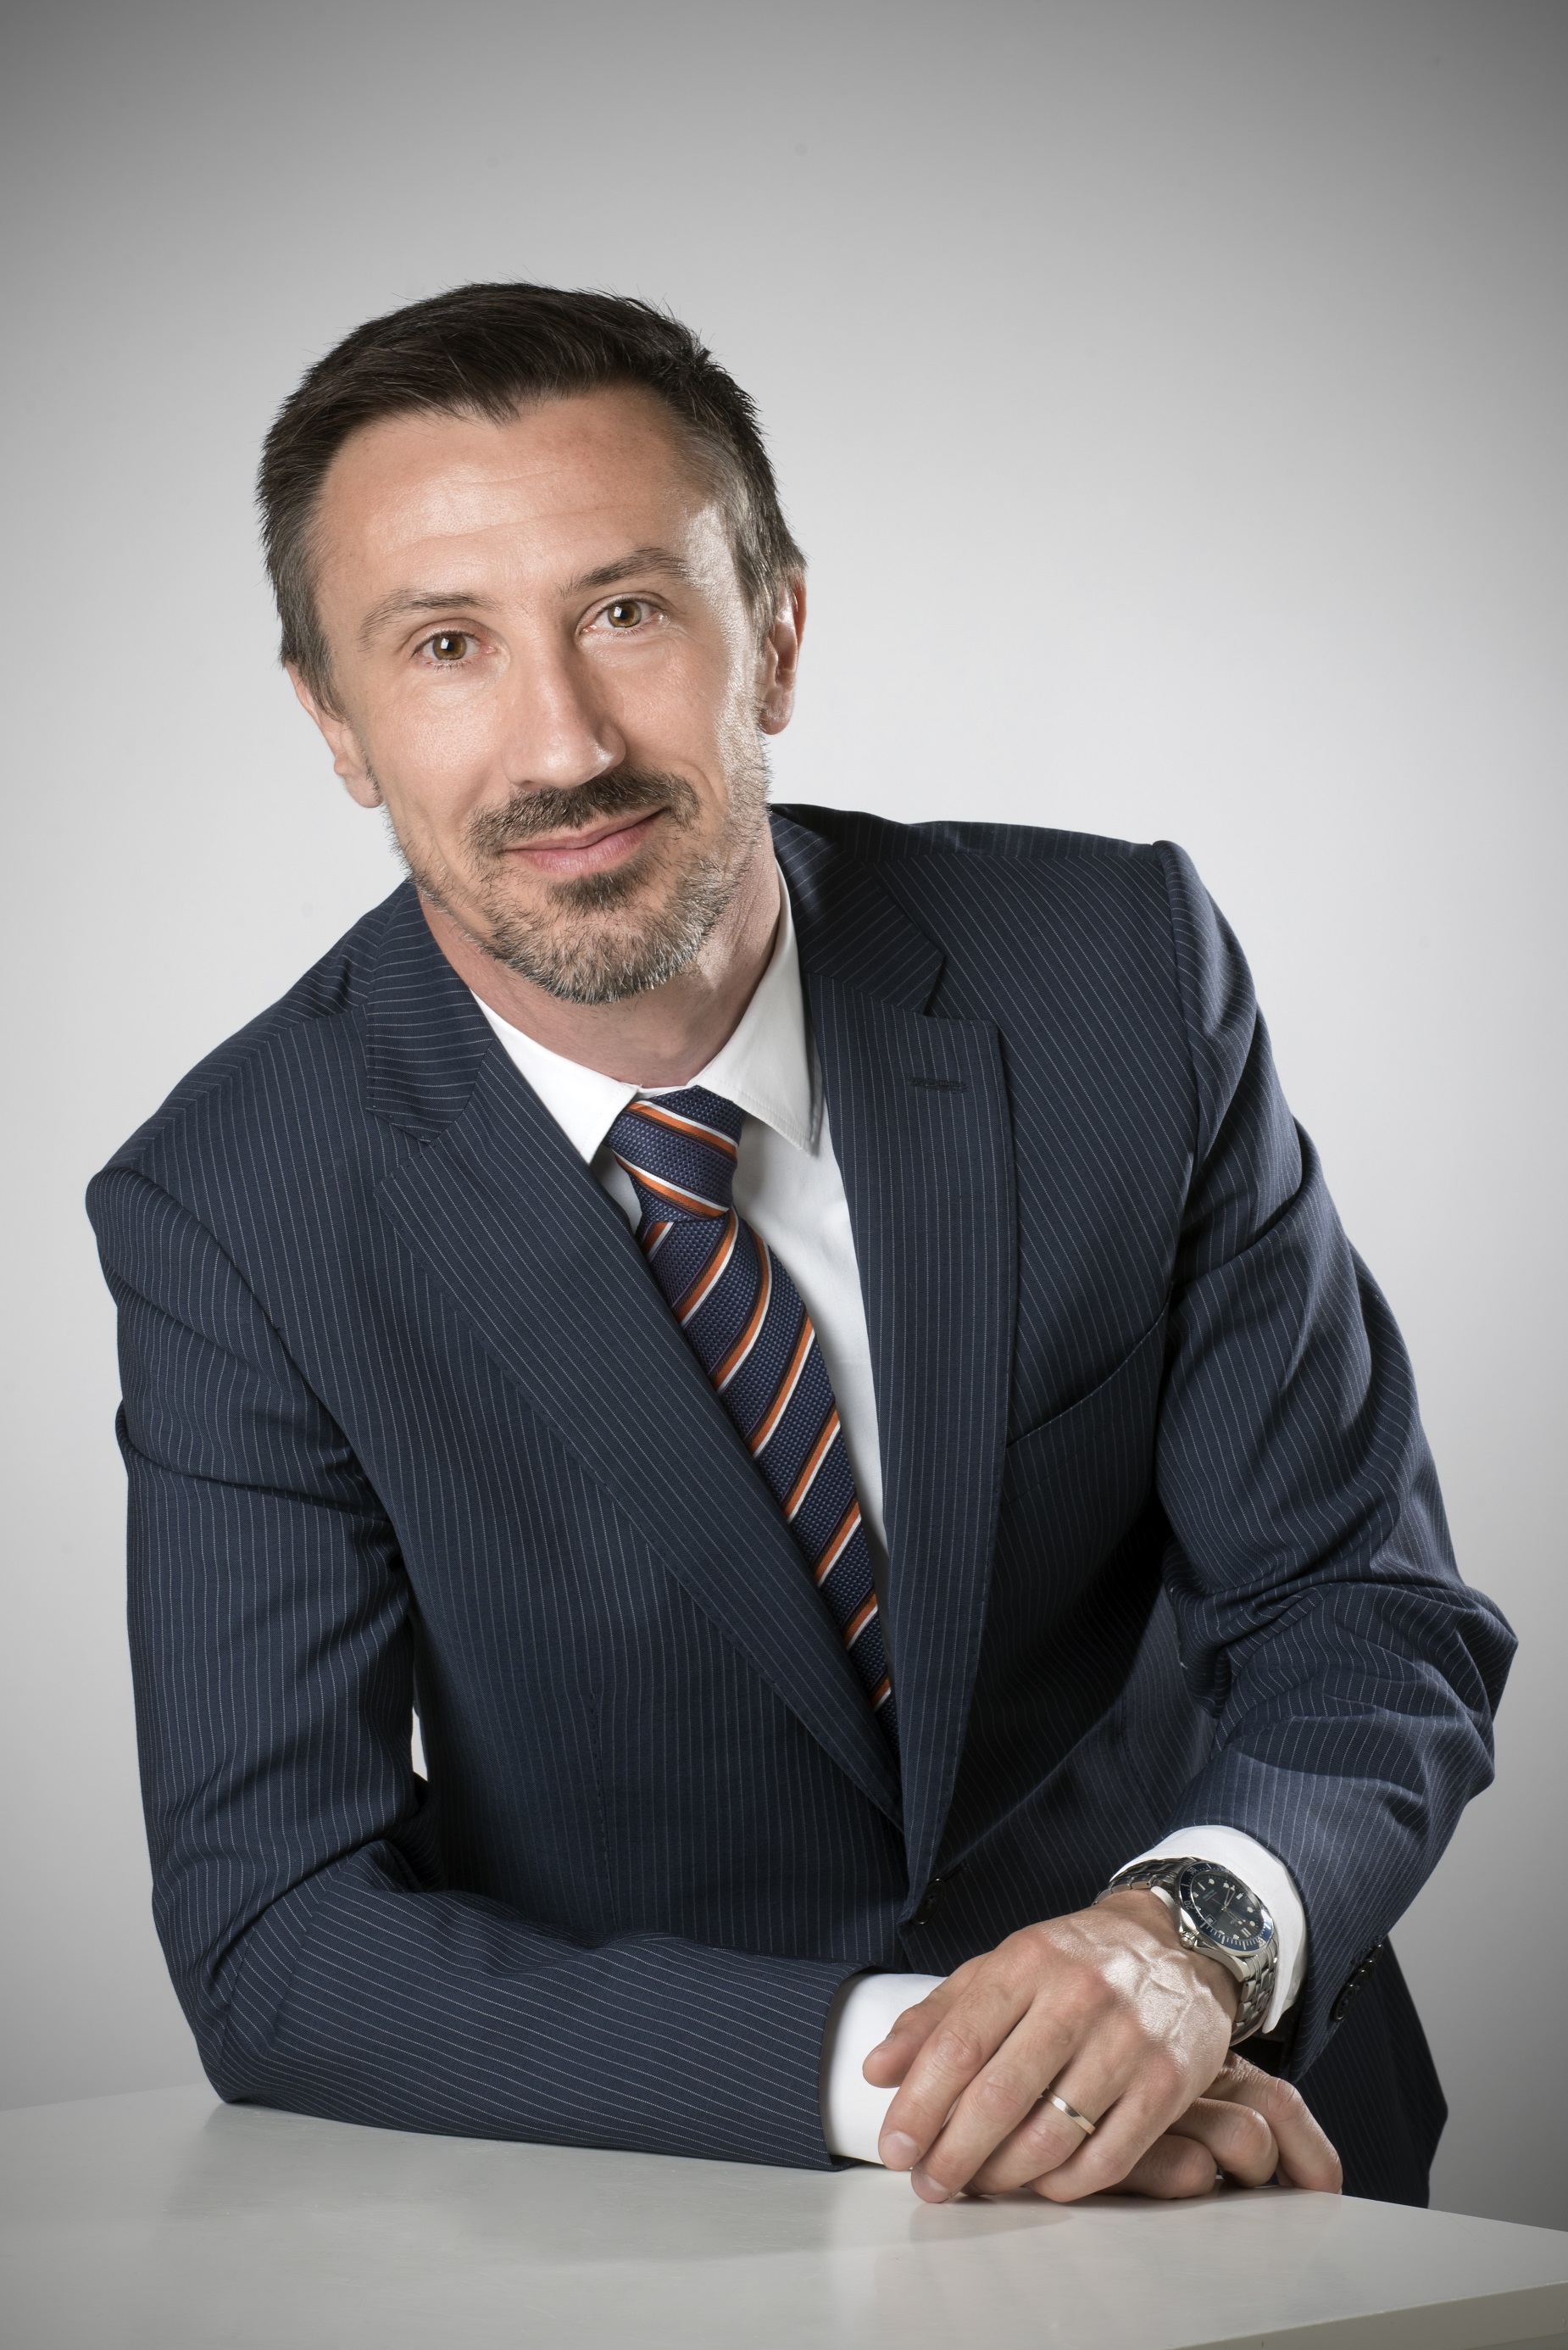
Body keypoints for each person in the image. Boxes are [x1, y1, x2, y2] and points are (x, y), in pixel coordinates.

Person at [89, 283, 1513, 2210]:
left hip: (1254, 2139)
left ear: (772, 633)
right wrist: (926, 2076)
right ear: (337, 725)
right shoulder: (235, 1209)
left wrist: (1182, 1950)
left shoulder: (1112, 980)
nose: (561, 740)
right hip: (693, 2207)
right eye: (445, 646)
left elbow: (1359, 1607)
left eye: (625, 612)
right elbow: (281, 1934)